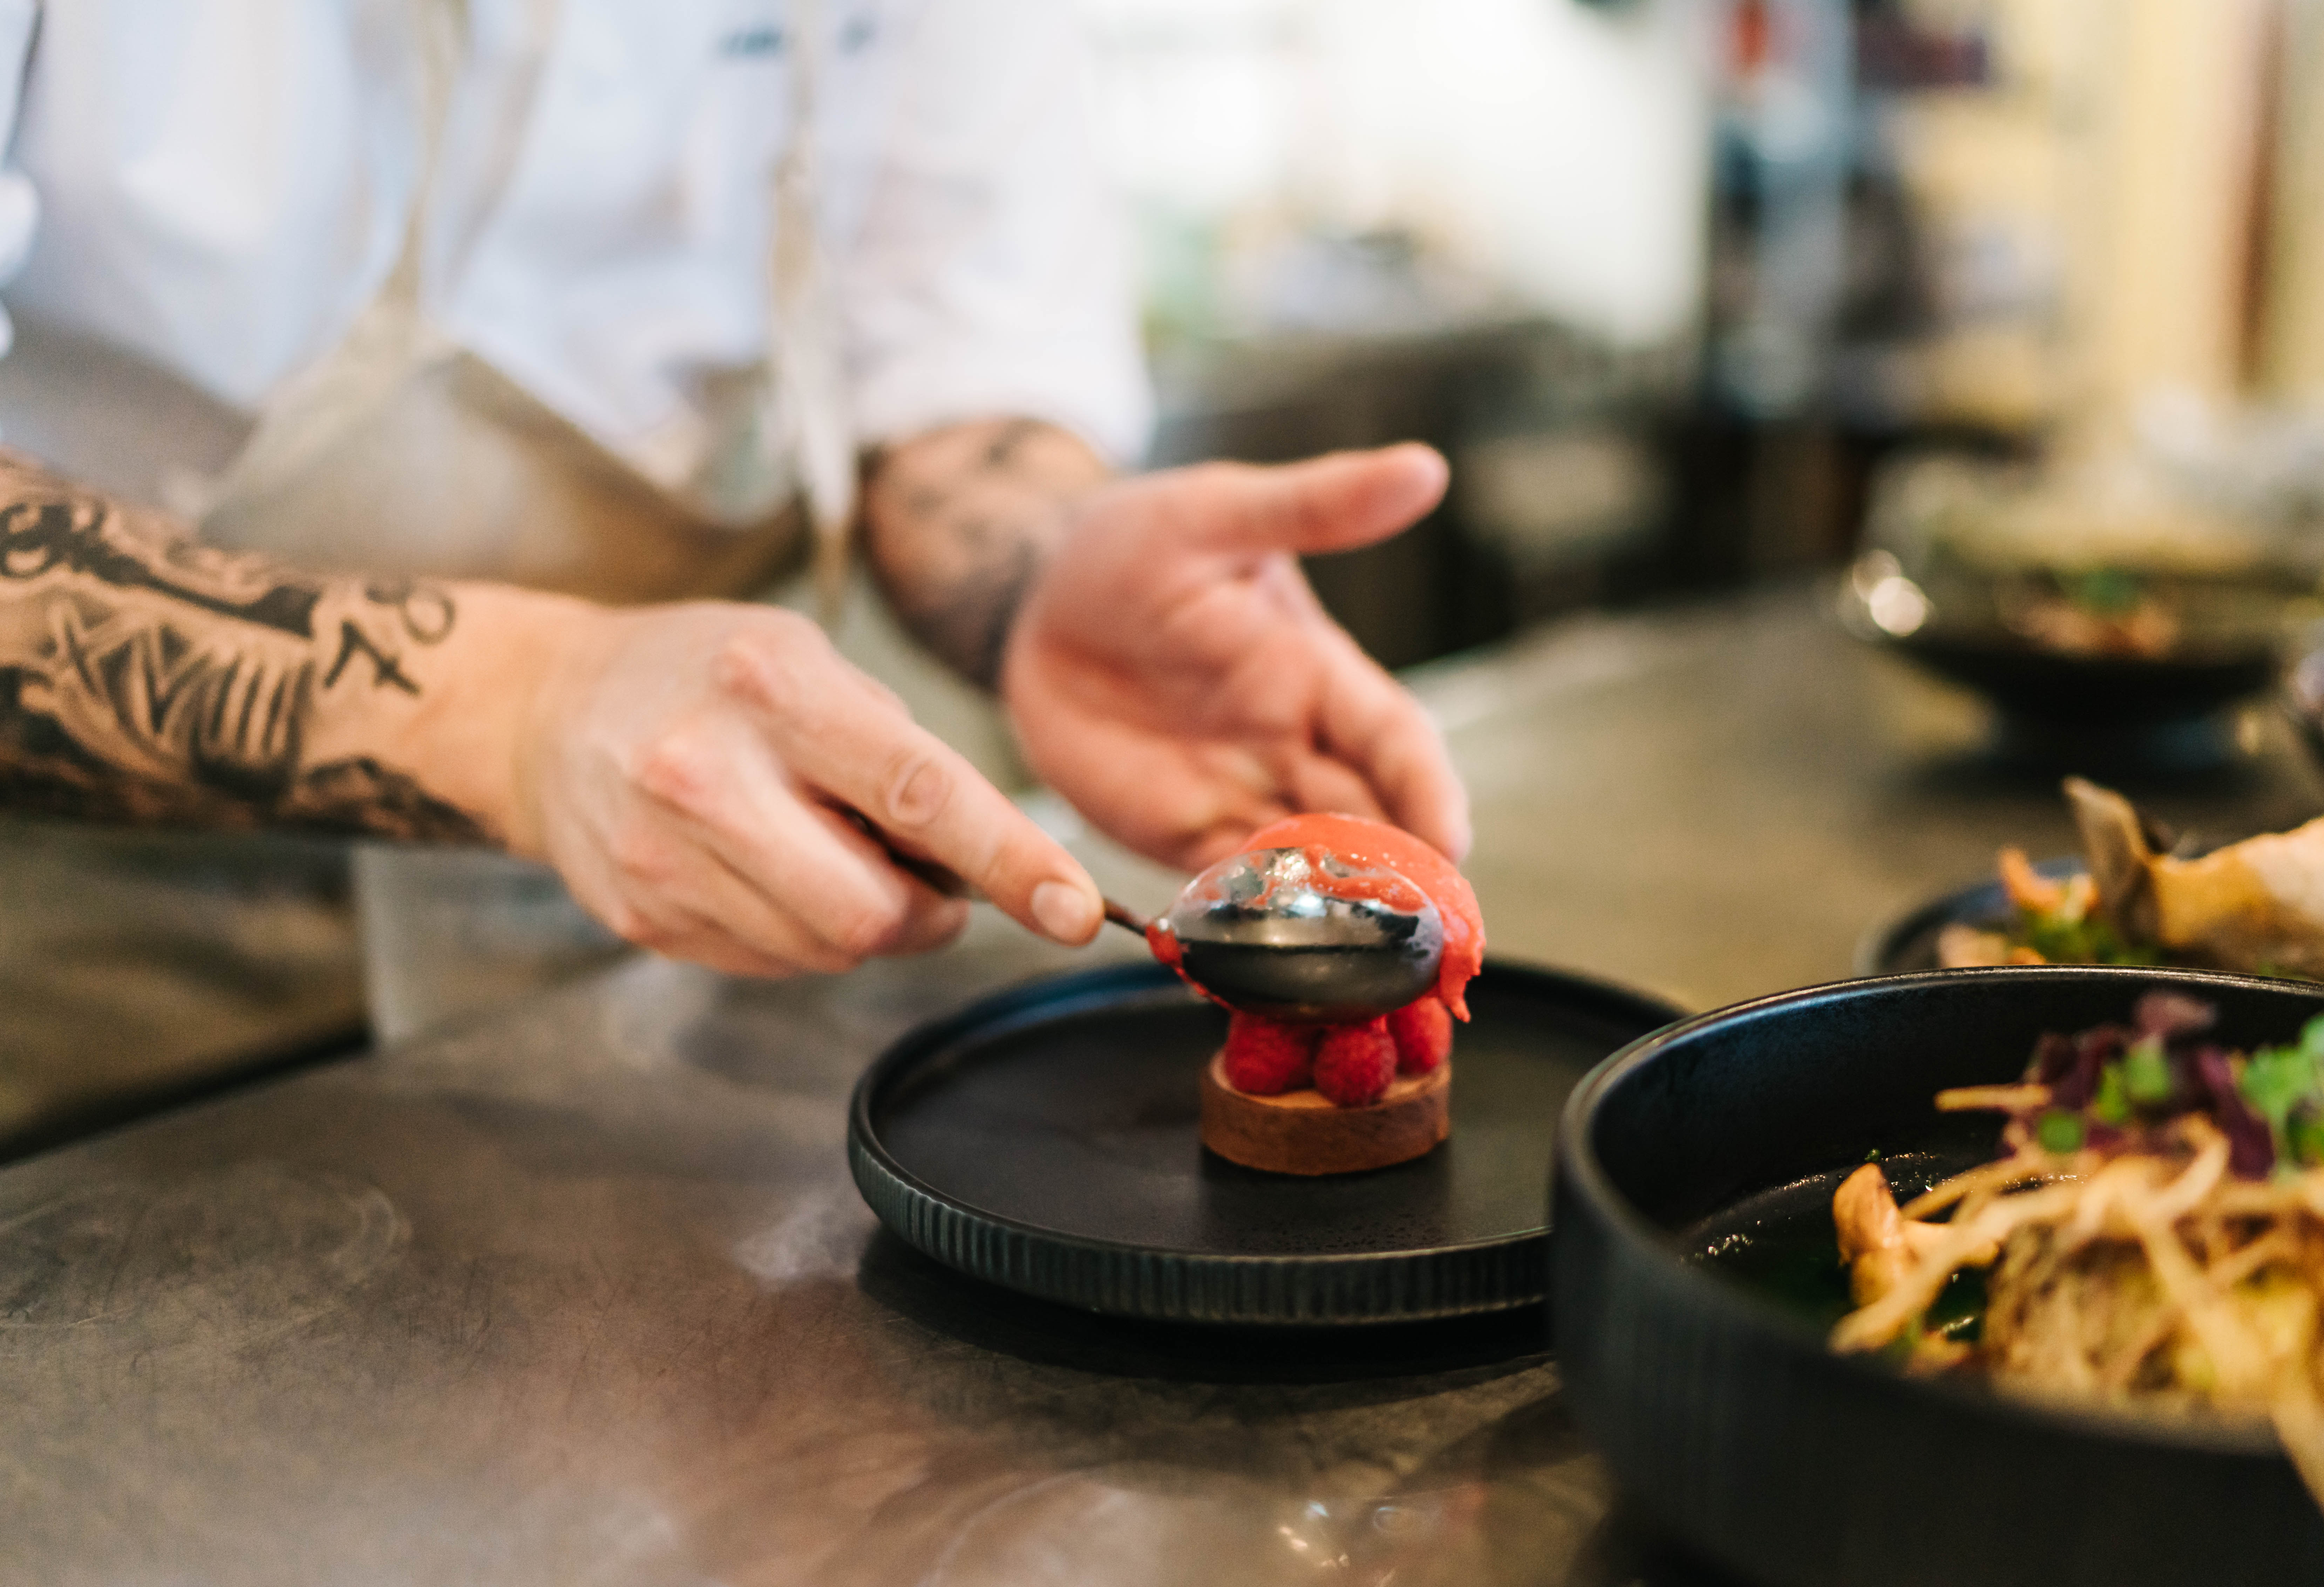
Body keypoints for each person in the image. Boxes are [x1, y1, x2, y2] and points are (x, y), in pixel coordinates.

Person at [0, 0, 1469, 997]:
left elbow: (950, 342)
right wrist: (518, 712)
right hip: (93, 954)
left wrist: (1040, 567)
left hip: (679, 967)